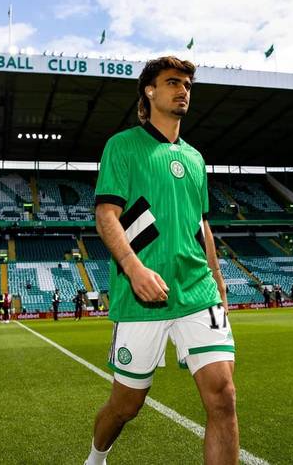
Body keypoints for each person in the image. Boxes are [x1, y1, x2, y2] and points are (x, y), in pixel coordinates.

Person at [86, 57, 237, 465]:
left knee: (223, 396)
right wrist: (134, 268)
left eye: (187, 84)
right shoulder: (123, 146)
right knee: (126, 405)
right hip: (142, 297)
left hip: (198, 292)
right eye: (173, 82)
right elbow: (106, 214)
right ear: (149, 91)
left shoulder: (196, 159)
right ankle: (96, 458)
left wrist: (218, 281)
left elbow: (201, 224)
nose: (183, 90)